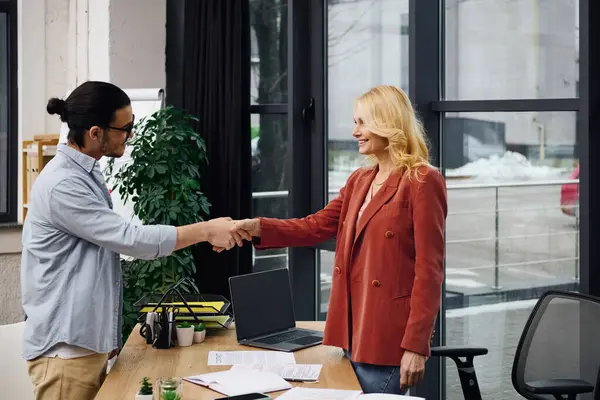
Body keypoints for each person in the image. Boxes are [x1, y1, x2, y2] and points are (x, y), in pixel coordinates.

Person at [20, 81, 251, 400]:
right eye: (125, 128)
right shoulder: (63, 185)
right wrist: (206, 230)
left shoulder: (87, 172)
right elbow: (129, 239)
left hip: (85, 348)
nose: (130, 135)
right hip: (66, 356)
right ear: (95, 132)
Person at [224, 85, 447, 394]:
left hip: (389, 339)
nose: (355, 131)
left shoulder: (422, 180)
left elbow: (429, 271)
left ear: (388, 122)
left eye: (362, 122)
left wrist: (416, 345)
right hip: (352, 334)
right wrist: (258, 227)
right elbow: (314, 227)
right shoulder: (360, 180)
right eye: (355, 122)